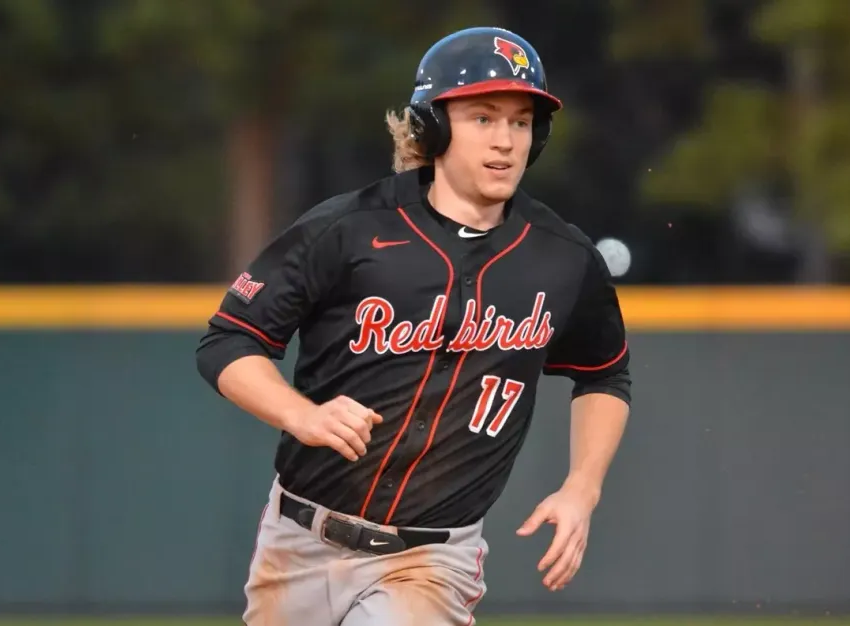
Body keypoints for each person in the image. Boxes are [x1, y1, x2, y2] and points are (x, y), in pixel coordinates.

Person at [196, 25, 631, 626]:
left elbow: (604, 374)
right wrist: (302, 413)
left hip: (431, 559)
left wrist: (583, 487)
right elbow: (228, 341)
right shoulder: (348, 229)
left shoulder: (562, 258)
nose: (506, 140)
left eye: (521, 121)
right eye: (483, 117)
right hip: (299, 538)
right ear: (433, 125)